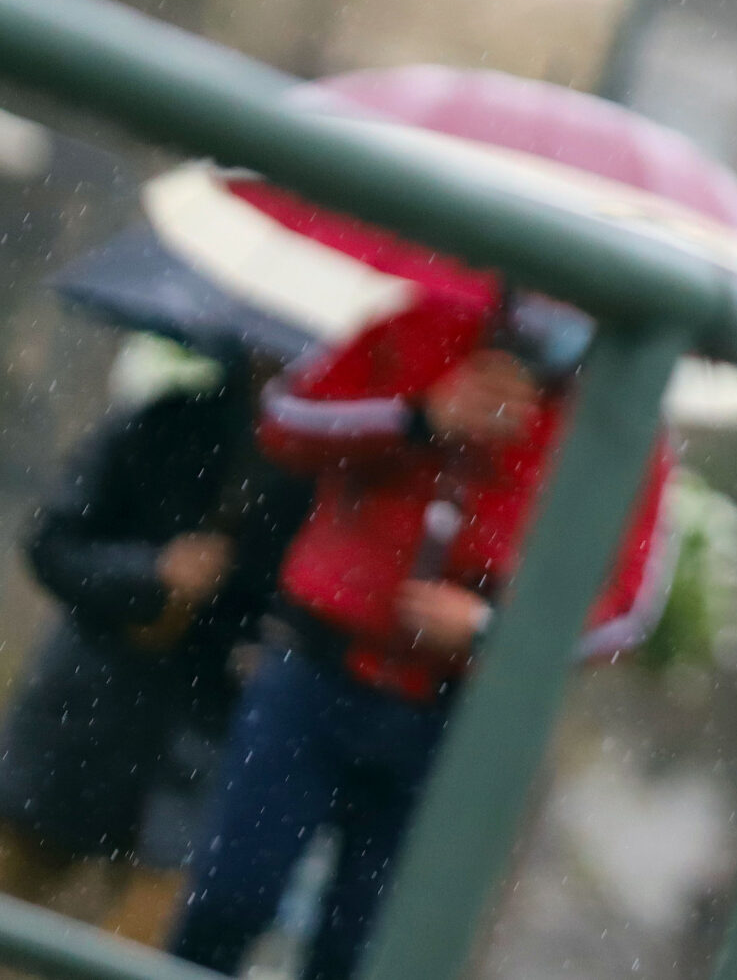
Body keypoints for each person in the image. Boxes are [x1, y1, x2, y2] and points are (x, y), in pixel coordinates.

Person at [169, 294, 672, 980]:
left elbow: (630, 609)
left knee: (366, 953)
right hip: (315, 673)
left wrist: (495, 630)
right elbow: (288, 418)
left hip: (456, 720)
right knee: (228, 902)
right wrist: (419, 417)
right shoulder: (424, 323)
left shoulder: (624, 416)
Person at [0, 335, 310, 942]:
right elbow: (53, 543)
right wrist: (151, 572)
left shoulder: (328, 481)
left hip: (197, 754)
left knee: (146, 937)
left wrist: (271, 648)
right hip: (82, 719)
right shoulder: (163, 424)